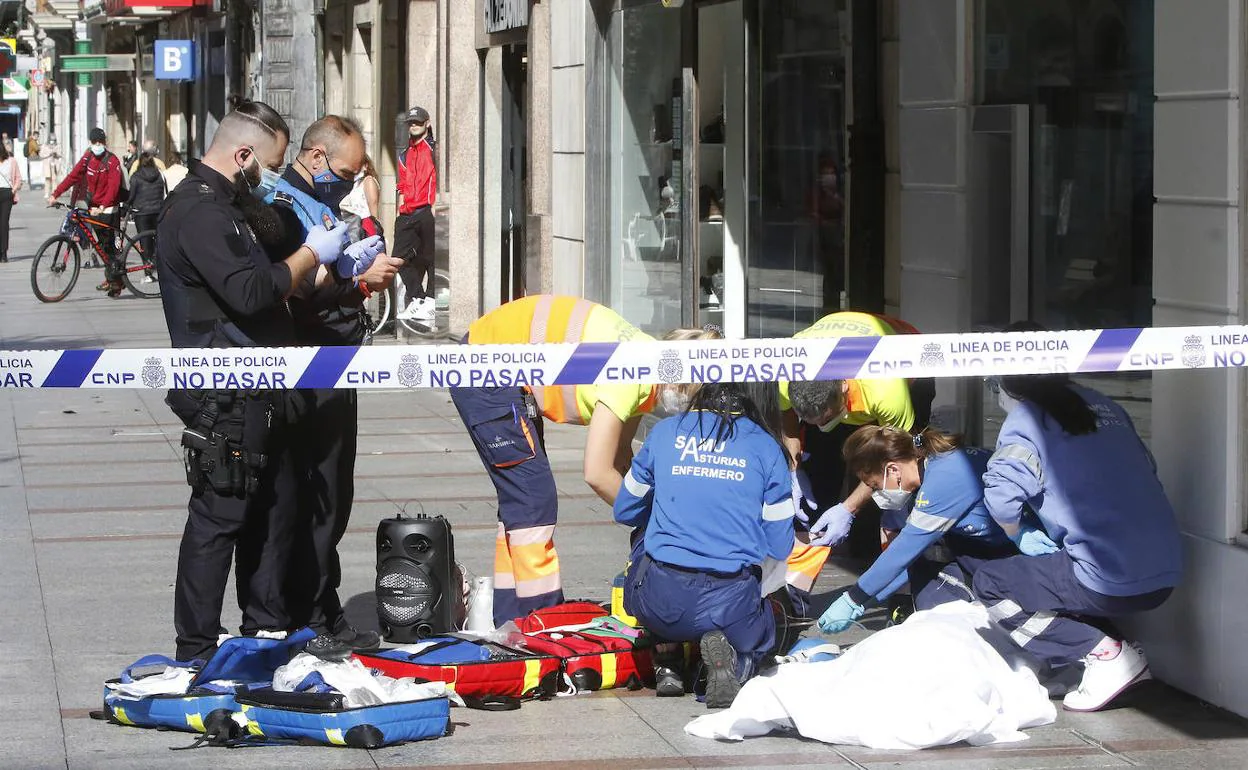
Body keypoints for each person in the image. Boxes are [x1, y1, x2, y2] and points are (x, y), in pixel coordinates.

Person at [157, 99, 355, 662]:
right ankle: (195, 646)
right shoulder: (198, 212)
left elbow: (266, 272)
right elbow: (249, 291)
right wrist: (308, 256)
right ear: (242, 155)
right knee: (220, 517)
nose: (269, 177)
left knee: (274, 507)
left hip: (260, 383)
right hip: (222, 387)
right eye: (265, 166)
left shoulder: (230, 204)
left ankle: (264, 629)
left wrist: (315, 259)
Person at [451, 295, 718, 626]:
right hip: (485, 366)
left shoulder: (646, 359)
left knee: (520, 502)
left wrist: (658, 504)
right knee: (533, 499)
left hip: (500, 363)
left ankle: (510, 618)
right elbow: (597, 471)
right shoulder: (630, 376)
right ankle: (542, 621)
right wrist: (656, 520)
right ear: (682, 381)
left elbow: (622, 459)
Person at [972, 347, 1182, 713]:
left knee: (991, 583)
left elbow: (1002, 498)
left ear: (1004, 380)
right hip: (1167, 569)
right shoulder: (1105, 406)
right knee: (1056, 568)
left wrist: (1015, 531)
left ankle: (1105, 653)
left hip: (1107, 579)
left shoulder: (1026, 421)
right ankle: (1100, 655)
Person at [261, 115, 400, 659]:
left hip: (334, 359)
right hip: (312, 365)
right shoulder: (285, 207)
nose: (352, 180)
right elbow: (296, 290)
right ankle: (312, 612)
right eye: (347, 170)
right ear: (316, 157)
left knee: (332, 493)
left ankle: (321, 605)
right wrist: (356, 284)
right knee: (319, 495)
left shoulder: (317, 201)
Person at [615, 381, 796, 709]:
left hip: (658, 599)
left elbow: (625, 509)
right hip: (731, 600)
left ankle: (667, 656)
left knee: (643, 536)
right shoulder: (767, 448)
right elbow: (781, 546)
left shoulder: (665, 432)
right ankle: (735, 661)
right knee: (768, 614)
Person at [778, 311, 936, 612]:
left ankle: (902, 593)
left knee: (896, 492)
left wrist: (849, 508)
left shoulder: (886, 389)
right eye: (814, 419)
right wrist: (794, 466)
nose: (822, 423)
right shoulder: (789, 372)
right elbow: (786, 413)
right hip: (839, 373)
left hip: (907, 357)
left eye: (827, 417)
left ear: (843, 390)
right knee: (817, 484)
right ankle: (795, 590)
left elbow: (896, 459)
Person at [816, 425, 1016, 633]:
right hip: (987, 549)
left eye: (875, 486)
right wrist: (865, 602)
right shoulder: (931, 469)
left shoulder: (944, 480)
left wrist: (852, 599)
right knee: (926, 571)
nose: (877, 495)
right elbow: (912, 560)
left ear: (893, 470)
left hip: (1016, 553)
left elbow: (903, 552)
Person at [48, 127, 126, 296]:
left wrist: (103, 206)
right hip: (94, 207)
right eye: (94, 142)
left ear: (104, 143)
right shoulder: (87, 158)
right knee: (102, 248)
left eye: (100, 142)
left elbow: (113, 188)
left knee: (108, 246)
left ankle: (116, 280)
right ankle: (113, 278)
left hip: (109, 209)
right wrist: (55, 194)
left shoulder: (112, 161)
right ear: (90, 143)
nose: (97, 145)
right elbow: (73, 177)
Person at [393, 105, 438, 323]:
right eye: (411, 122)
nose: (413, 126)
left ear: (427, 123)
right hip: (407, 212)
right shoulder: (404, 155)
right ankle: (419, 298)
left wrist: (436, 205)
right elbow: (401, 184)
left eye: (418, 122)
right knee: (399, 259)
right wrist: (399, 207)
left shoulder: (434, 149)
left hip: (427, 210)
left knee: (431, 258)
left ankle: (430, 301)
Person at [127, 146, 167, 265]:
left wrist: (126, 206)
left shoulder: (136, 176)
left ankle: (147, 267)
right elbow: (165, 191)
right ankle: (157, 262)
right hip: (157, 210)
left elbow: (132, 196)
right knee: (156, 238)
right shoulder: (159, 175)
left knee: (144, 240)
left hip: (141, 212)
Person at [0, 140, 22, 263]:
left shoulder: (11, 161)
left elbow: (18, 177)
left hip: (7, 193)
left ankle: (3, 253)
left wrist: (13, 190)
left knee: (3, 223)